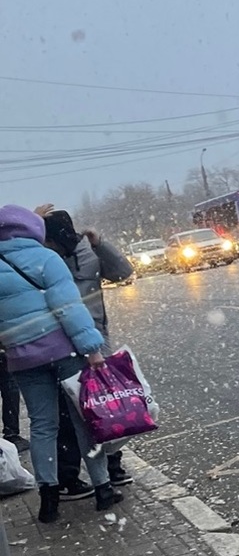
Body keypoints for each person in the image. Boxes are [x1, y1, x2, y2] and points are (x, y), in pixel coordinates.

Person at [0, 205, 124, 522]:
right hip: (63, 351)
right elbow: (68, 308)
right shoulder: (46, 259)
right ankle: (104, 490)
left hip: (22, 359)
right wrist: (92, 349)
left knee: (43, 427)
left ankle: (49, 500)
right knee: (85, 421)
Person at [40, 209, 134, 494]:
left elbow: (122, 272)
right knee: (95, 407)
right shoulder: (51, 255)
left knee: (92, 408)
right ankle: (90, 474)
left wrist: (100, 243)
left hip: (83, 340)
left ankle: (99, 472)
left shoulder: (50, 255)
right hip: (78, 341)